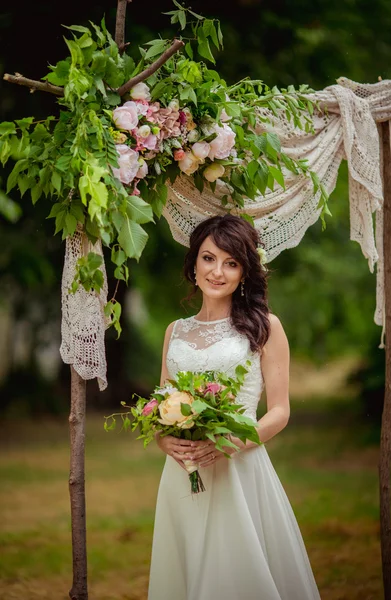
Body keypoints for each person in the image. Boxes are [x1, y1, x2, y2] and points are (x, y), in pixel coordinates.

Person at [147, 214, 321, 600]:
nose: (217, 272)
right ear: (193, 262)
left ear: (245, 272)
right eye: (209, 258)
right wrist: (163, 440)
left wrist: (231, 443)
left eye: (231, 263)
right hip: (182, 471)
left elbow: (279, 411)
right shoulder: (174, 331)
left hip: (238, 468)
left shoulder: (265, 327)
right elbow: (162, 402)